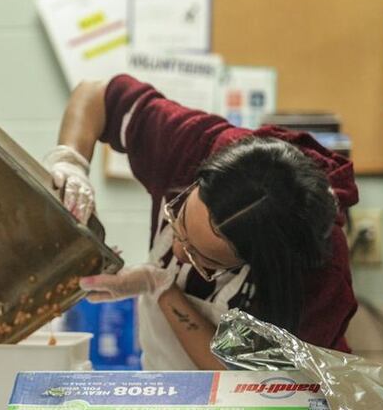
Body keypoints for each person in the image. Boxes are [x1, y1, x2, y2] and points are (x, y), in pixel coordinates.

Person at [43, 74, 358, 370]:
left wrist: (163, 289)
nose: (178, 252)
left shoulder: (315, 275)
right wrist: (71, 163)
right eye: (178, 219)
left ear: (260, 261)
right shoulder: (194, 145)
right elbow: (97, 95)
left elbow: (250, 381)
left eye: (202, 258)